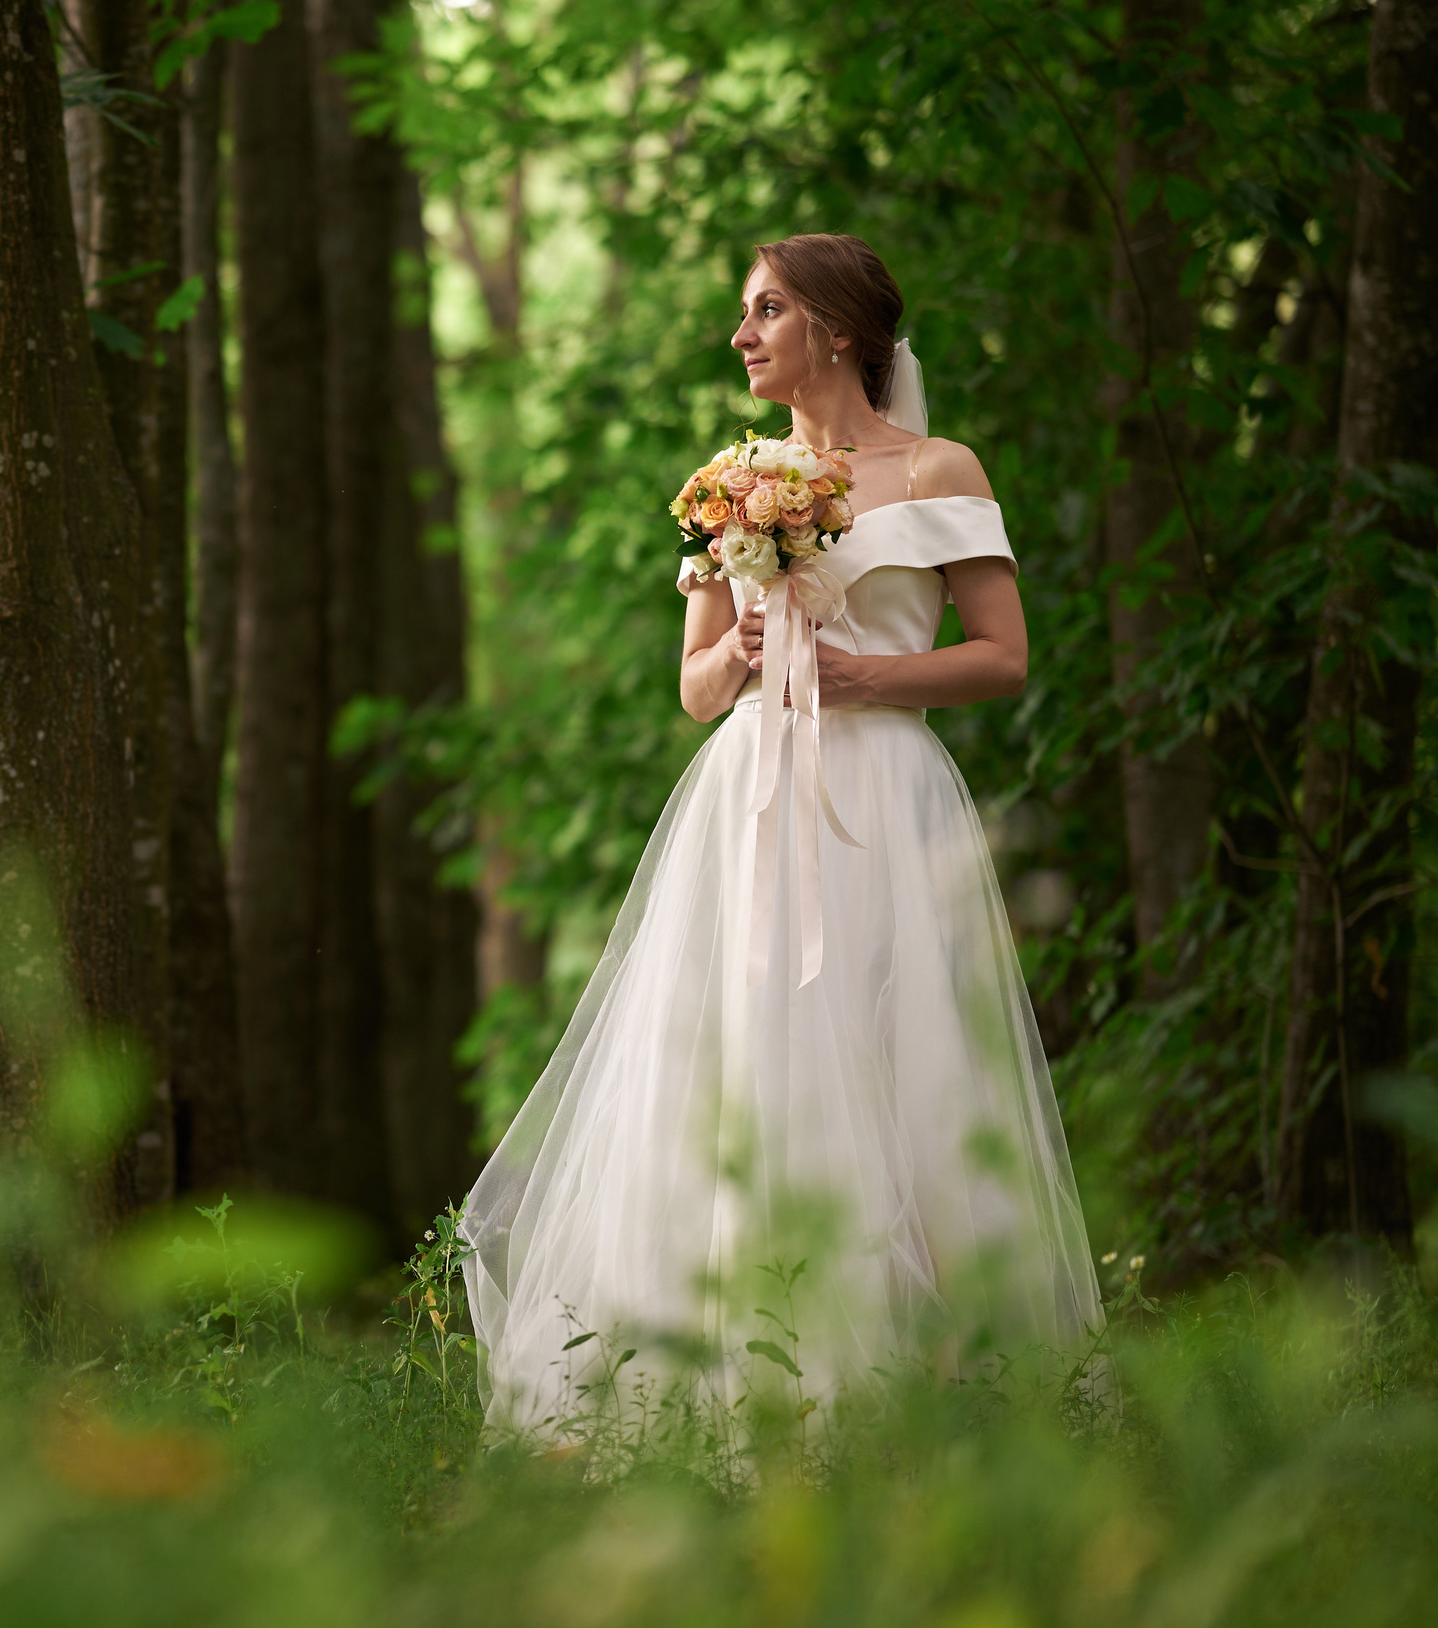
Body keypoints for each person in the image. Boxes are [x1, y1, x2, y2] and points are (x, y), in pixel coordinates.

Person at [461, 233, 1102, 1439]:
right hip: (750, 797)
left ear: (838, 330)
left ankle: (935, 1382)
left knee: (902, 1056)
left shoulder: (936, 470)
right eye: (745, 314)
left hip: (888, 797)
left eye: (765, 310)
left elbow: (1004, 654)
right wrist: (742, 652)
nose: (742, 334)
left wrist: (870, 675)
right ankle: (724, 1378)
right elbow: (695, 688)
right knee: (747, 1059)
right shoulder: (729, 480)